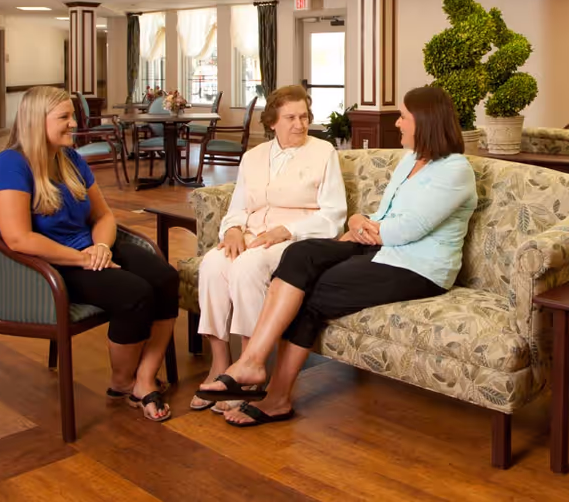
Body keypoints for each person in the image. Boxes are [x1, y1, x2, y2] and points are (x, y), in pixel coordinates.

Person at [195, 86, 477, 427]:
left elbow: (409, 229)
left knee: (311, 292)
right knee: (301, 255)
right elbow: (385, 214)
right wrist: (358, 220)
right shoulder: (410, 160)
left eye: (403, 116)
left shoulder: (455, 169)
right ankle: (253, 362)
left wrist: (366, 228)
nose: (398, 123)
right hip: (381, 248)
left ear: (426, 121)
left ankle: (277, 397)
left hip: (418, 268)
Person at [0, 86, 179, 422]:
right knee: (134, 294)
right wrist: (82, 258)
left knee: (166, 278)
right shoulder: (9, 165)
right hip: (50, 262)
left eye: (72, 115)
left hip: (91, 248)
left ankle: (144, 377)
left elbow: (103, 216)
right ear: (36, 121)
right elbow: (18, 239)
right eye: (64, 117)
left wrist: (101, 247)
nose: (74, 123)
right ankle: (121, 382)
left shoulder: (70, 159)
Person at [191, 84, 345, 413]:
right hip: (251, 233)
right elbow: (237, 206)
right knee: (212, 265)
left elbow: (334, 216)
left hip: (296, 239)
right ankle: (220, 365)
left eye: (304, 117)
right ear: (272, 121)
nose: (300, 124)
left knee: (248, 267)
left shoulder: (323, 152)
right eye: (290, 117)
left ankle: (250, 370)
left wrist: (285, 229)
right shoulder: (253, 156)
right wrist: (232, 229)